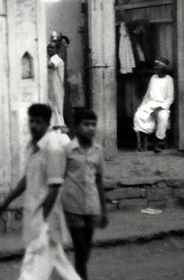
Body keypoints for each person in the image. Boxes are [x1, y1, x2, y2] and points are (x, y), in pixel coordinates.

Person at [0, 104, 80, 280]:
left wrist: (43, 222)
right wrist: (6, 202)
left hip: (46, 219)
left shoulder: (53, 148)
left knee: (31, 271)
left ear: (48, 123)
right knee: (61, 266)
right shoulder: (34, 148)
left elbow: (54, 188)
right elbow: (27, 179)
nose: (34, 126)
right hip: (35, 215)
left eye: (39, 122)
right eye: (32, 121)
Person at [62, 109, 108, 280]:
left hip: (92, 206)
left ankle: (76, 275)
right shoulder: (67, 150)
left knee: (85, 250)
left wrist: (104, 210)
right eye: (86, 124)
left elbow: (99, 180)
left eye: (93, 124)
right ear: (76, 127)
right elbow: (59, 178)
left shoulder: (98, 151)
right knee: (80, 248)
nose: (90, 128)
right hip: (72, 206)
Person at [133, 58, 174, 153]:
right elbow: (147, 94)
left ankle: (157, 142)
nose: (155, 68)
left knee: (162, 117)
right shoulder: (153, 78)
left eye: (157, 66)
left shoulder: (169, 80)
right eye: (154, 66)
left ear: (163, 68)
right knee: (138, 115)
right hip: (150, 104)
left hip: (162, 106)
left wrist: (159, 109)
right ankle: (139, 144)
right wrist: (142, 106)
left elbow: (170, 98)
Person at [48, 41, 67, 132]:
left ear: (57, 50)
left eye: (52, 48)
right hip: (51, 90)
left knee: (56, 111)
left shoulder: (56, 60)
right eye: (48, 47)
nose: (49, 49)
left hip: (56, 90)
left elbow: (51, 65)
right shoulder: (51, 59)